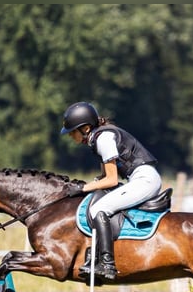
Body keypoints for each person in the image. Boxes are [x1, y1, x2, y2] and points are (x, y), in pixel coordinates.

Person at [60, 101, 163, 281]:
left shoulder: (104, 139)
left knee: (98, 209)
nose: (70, 137)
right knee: (98, 201)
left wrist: (82, 188)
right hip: (140, 179)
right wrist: (86, 186)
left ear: (85, 128)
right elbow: (103, 178)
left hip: (144, 180)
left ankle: (107, 263)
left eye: (72, 132)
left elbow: (112, 179)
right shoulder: (98, 138)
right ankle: (95, 255)